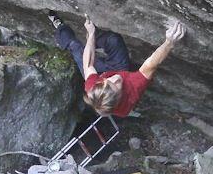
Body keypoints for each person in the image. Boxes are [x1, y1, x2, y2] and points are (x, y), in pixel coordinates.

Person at [49, 11, 186, 117]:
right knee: (109, 42)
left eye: (110, 82)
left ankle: (65, 29)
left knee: (81, 46)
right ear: (120, 97)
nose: (116, 79)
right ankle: (62, 28)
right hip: (121, 70)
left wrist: (91, 34)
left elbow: (88, 64)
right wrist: (169, 42)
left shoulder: (94, 88)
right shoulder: (132, 90)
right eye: (116, 85)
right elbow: (150, 66)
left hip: (108, 71)